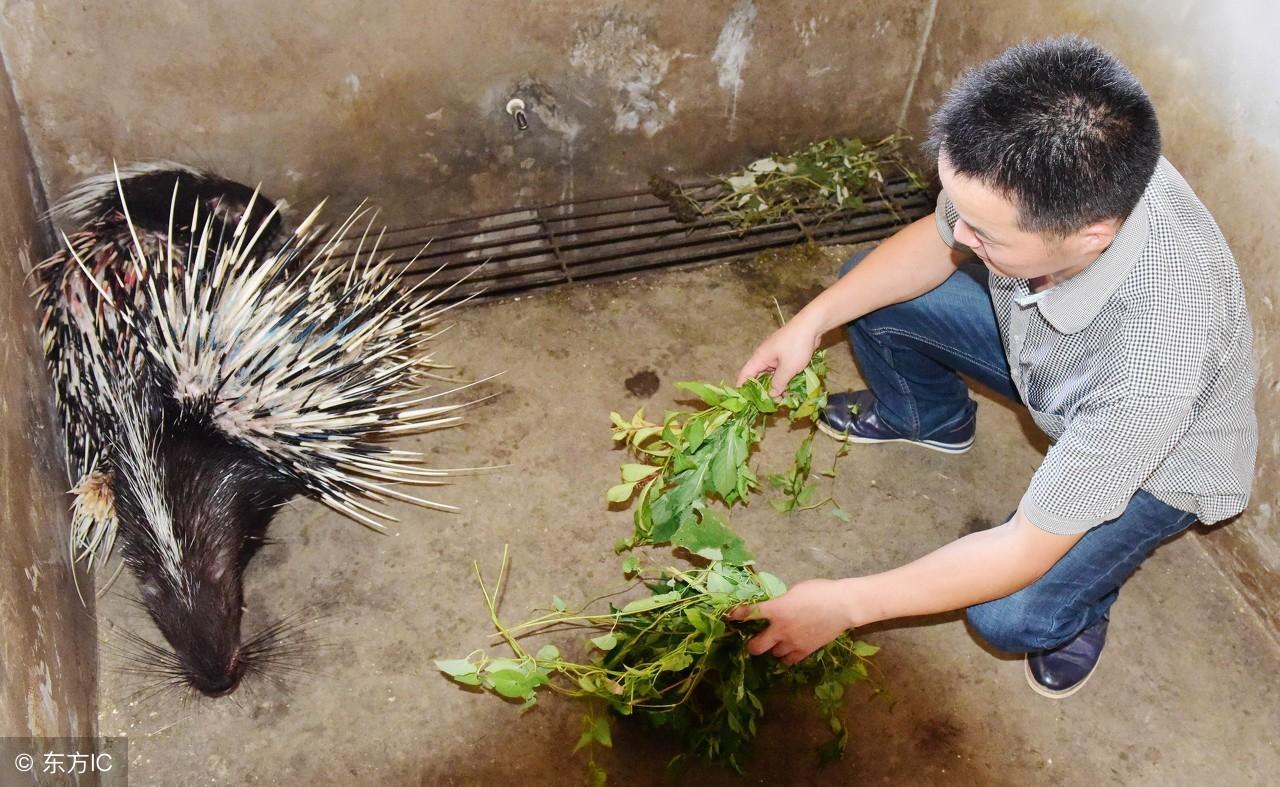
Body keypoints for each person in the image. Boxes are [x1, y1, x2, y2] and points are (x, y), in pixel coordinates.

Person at [728, 36, 1257, 698]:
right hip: (1050, 351)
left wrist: (845, 604)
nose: (960, 237)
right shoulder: (1051, 169)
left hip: (1162, 457)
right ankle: (930, 417)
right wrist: (809, 323)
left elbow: (1019, 549)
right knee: (867, 289)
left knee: (1009, 611)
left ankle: (1080, 608)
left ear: (1089, 233)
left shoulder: (1150, 367)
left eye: (985, 234)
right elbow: (938, 239)